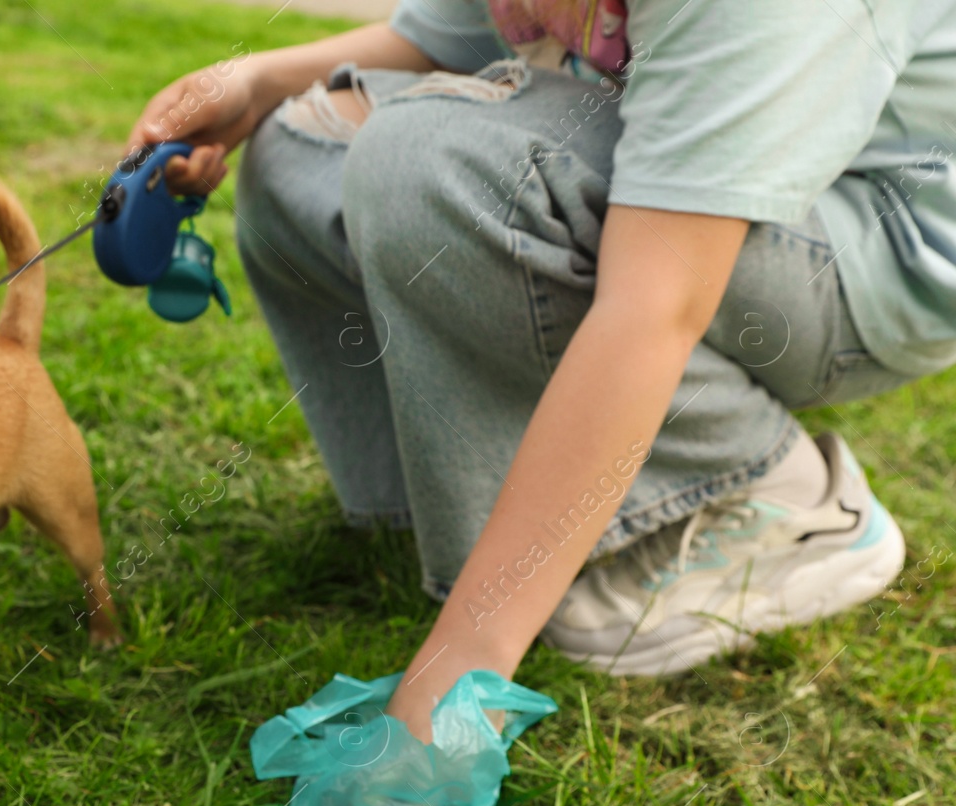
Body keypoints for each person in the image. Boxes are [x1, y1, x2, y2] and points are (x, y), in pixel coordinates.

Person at [127, 0, 956, 742]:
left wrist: (459, 679)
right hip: (717, 182)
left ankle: (761, 489)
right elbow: (440, 37)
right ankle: (472, 501)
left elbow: (653, 306)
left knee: (433, 163)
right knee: (303, 136)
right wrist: (256, 78)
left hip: (868, 249)